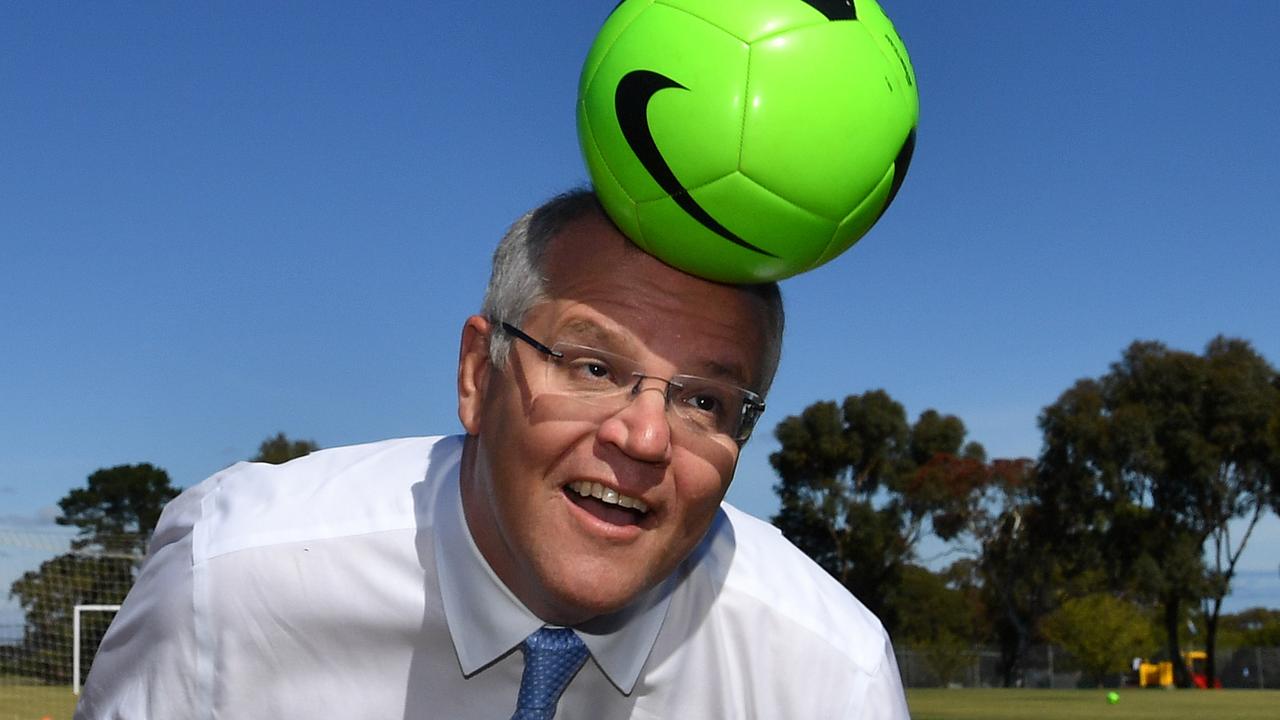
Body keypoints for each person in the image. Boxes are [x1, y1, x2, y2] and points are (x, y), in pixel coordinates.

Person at [76, 190, 909, 719]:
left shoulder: (827, 681)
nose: (646, 437)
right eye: (594, 366)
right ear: (480, 373)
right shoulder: (234, 583)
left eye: (704, 401)